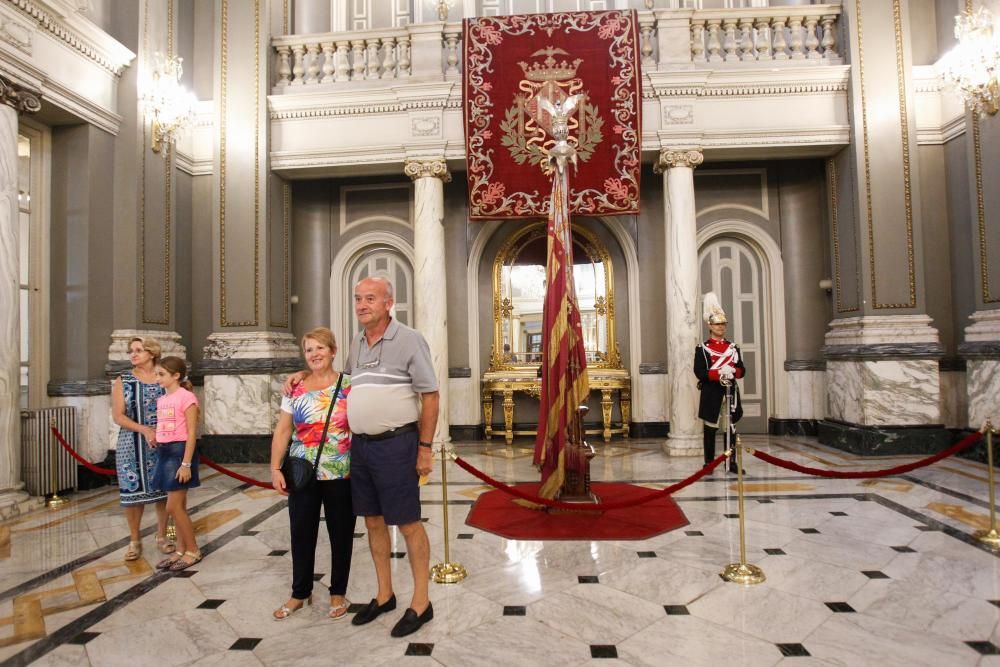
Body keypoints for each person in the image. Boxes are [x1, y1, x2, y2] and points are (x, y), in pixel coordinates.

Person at [343, 276, 439, 637]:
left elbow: (430, 395)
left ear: (388, 303)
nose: (362, 305)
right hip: (361, 447)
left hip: (397, 445)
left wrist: (425, 448)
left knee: (408, 522)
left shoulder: (410, 339)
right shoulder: (356, 342)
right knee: (372, 521)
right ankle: (384, 595)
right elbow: (347, 386)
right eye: (358, 299)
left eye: (370, 298)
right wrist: (305, 376)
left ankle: (421, 602)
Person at [270, 327, 355, 621]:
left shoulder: (349, 385)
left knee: (341, 534)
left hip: (340, 470)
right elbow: (283, 430)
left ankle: (338, 592)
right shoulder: (295, 387)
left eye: (320, 348)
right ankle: (300, 593)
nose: (315, 354)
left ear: (332, 351)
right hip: (302, 470)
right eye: (309, 350)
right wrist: (275, 468)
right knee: (301, 533)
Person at [111, 336, 172, 561]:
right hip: (131, 443)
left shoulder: (164, 376)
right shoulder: (123, 380)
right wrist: (144, 429)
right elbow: (118, 415)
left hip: (164, 443)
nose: (133, 354)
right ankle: (134, 539)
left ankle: (164, 536)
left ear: (152, 353)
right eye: (131, 351)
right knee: (132, 494)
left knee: (166, 494)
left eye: (138, 350)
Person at [150, 356, 203, 571]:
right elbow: (167, 425)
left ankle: (193, 550)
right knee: (178, 506)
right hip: (164, 452)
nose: (157, 378)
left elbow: (191, 433)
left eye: (161, 374)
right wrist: (157, 436)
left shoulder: (186, 397)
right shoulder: (162, 400)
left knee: (173, 506)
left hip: (179, 453)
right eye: (157, 374)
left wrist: (186, 463)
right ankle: (181, 549)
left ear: (176, 376)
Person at [693, 292, 746, 475]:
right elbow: (699, 372)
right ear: (710, 325)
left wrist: (733, 372)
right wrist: (719, 374)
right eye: (717, 324)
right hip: (711, 393)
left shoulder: (733, 347)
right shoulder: (702, 348)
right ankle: (708, 463)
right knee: (710, 429)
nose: (721, 327)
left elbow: (741, 369)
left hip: (730, 392)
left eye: (723, 324)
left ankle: (731, 462)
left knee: (730, 428)